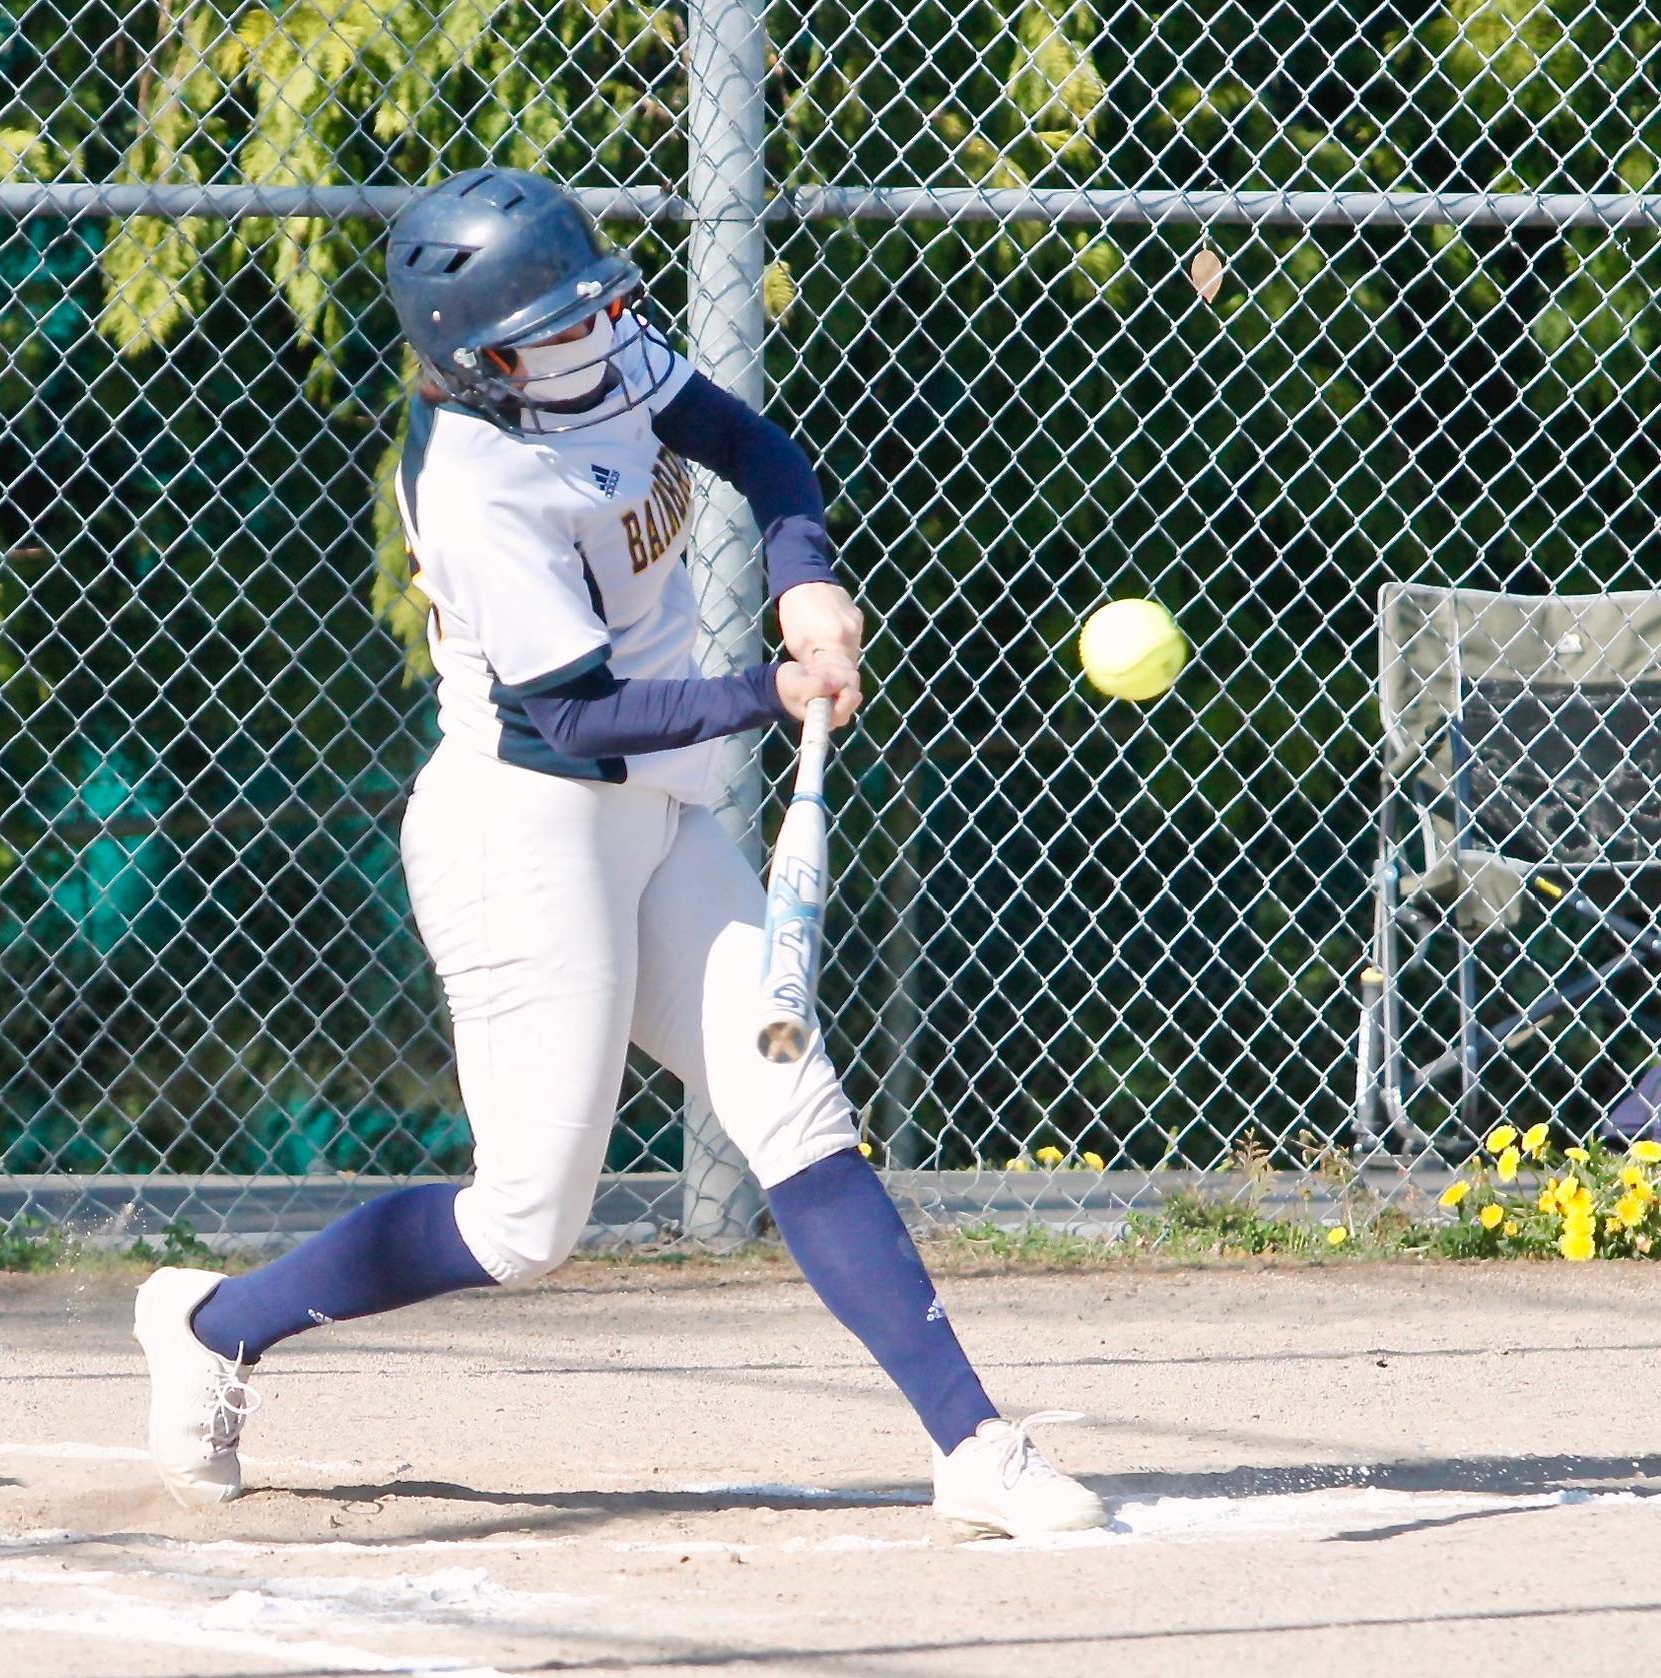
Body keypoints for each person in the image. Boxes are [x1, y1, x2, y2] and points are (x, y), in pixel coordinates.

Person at [132, 169, 1105, 1537]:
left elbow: (759, 453)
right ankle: (214, 1323)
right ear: (482, 357)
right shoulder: (475, 482)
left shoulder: (584, 357)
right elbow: (574, 712)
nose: (601, 330)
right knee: (529, 1224)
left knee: (795, 1105)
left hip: (658, 816)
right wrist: (765, 691)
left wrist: (804, 575)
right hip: (524, 834)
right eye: (557, 321)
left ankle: (973, 1441)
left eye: (595, 302)